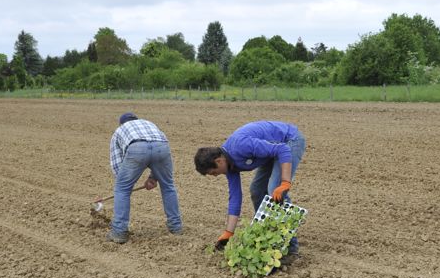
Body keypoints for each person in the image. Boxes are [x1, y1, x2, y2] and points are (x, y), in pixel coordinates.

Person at [194, 120, 306, 261]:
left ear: (218, 161)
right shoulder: (229, 165)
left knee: (274, 190)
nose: (215, 176)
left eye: (213, 172)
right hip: (272, 150)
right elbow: (235, 197)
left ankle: (291, 248)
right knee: (256, 190)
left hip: (290, 141)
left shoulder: (240, 146)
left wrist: (284, 182)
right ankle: (268, 234)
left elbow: (282, 149)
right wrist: (229, 232)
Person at [107, 112, 182, 244]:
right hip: (161, 146)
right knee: (168, 186)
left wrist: (125, 184)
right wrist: (154, 177)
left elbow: (117, 164)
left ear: (121, 123)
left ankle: (119, 232)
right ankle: (176, 227)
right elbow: (161, 143)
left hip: (136, 147)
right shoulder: (149, 124)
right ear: (137, 120)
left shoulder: (119, 131)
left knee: (121, 189)